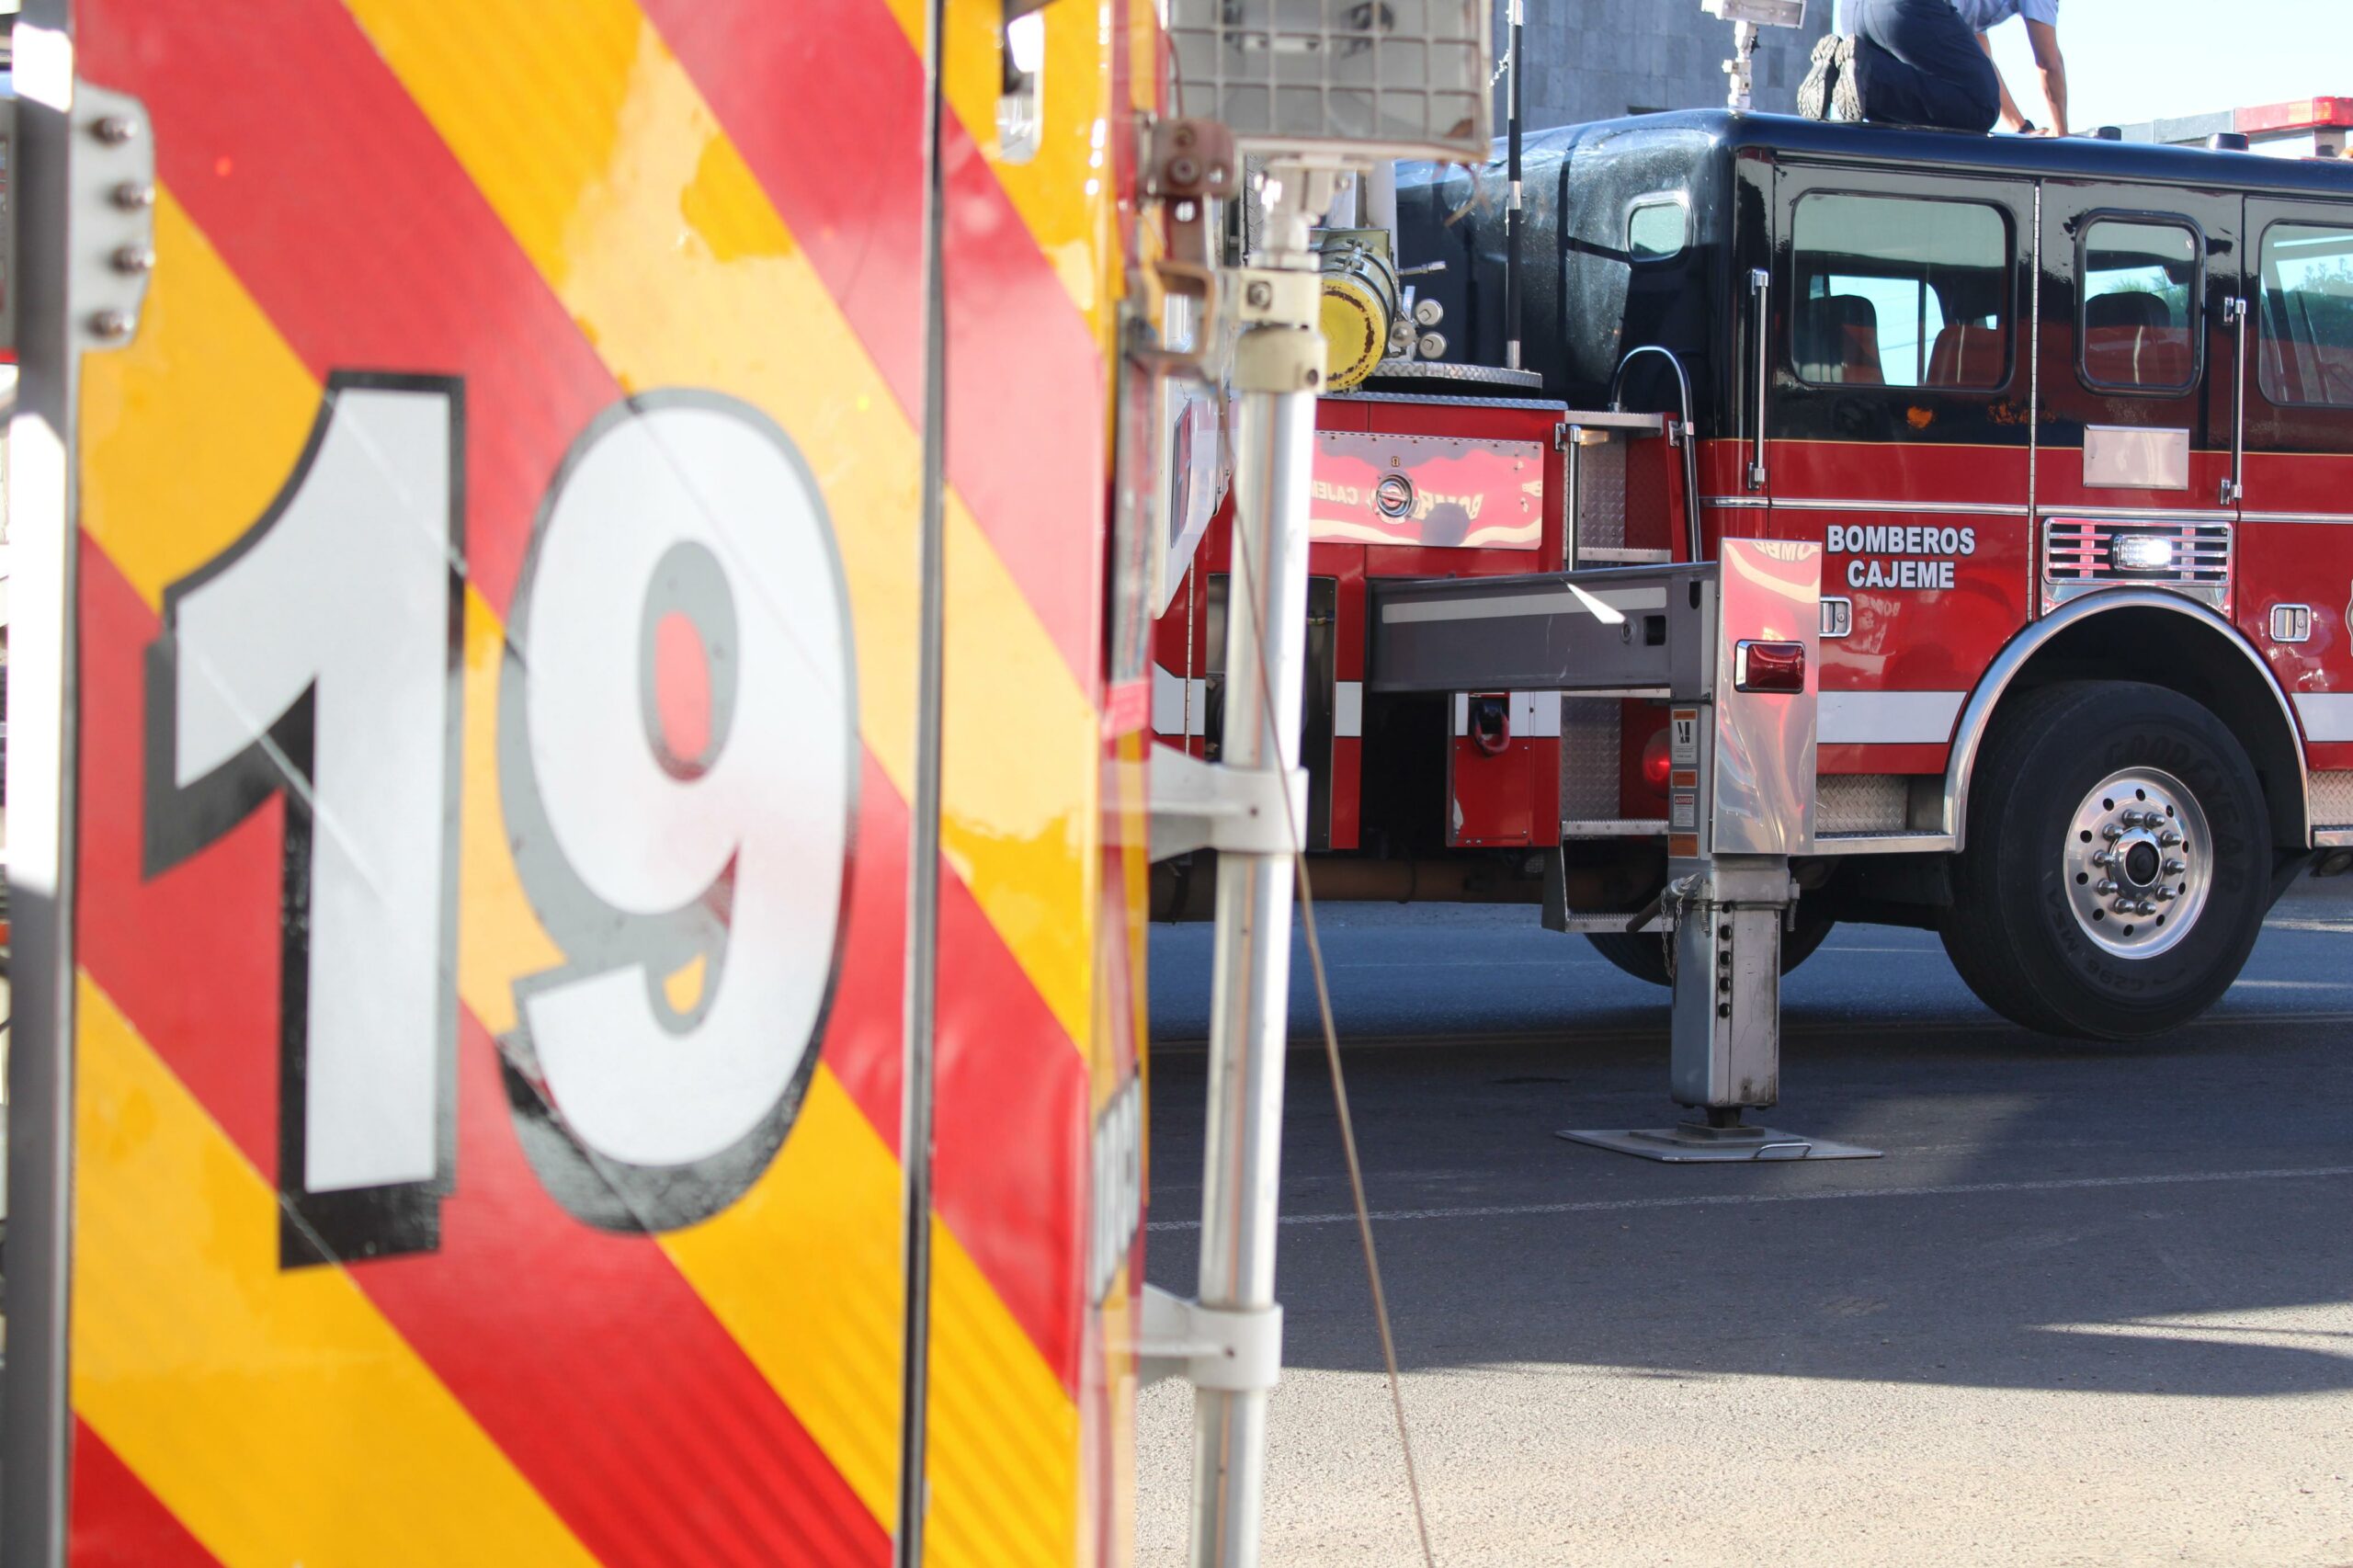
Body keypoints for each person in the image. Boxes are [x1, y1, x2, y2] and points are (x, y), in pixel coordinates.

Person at [1802, 0, 2065, 137]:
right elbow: (2048, 63)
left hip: (1854, 13)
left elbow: (1982, 66)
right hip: (1905, 13)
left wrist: (2022, 127)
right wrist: (2061, 136)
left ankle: (1840, 67)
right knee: (1980, 108)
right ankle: (1872, 74)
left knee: (1909, 110)